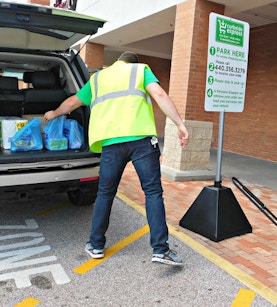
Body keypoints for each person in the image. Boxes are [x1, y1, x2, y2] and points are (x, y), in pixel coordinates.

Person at [44, 51, 189, 266]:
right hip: (141, 141)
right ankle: (160, 250)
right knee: (152, 193)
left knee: (105, 194)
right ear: (133, 63)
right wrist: (179, 124)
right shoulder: (141, 70)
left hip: (110, 144)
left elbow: (73, 102)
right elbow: (159, 95)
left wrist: (53, 114)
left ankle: (96, 245)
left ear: (117, 62)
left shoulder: (98, 79)